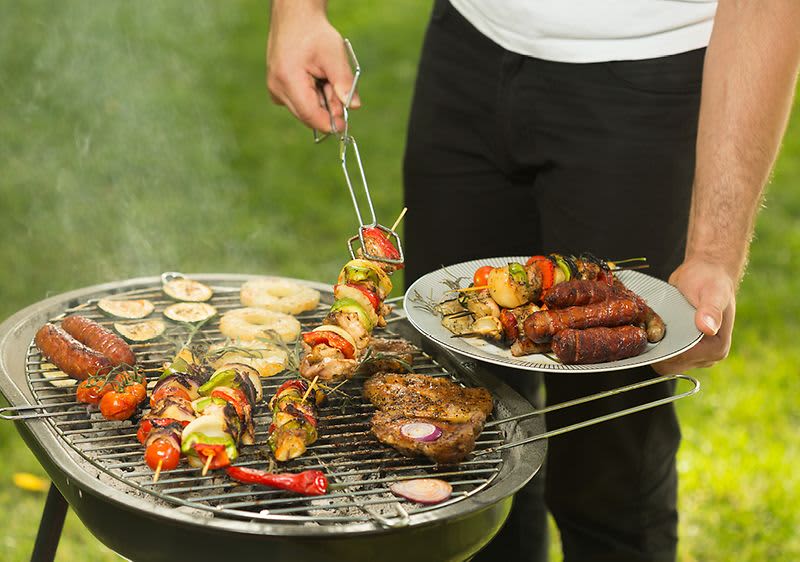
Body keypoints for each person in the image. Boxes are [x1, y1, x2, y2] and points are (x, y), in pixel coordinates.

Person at [265, 1, 800, 560]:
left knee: (608, 468)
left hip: (649, 78)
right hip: (466, 43)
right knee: (459, 446)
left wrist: (715, 251)